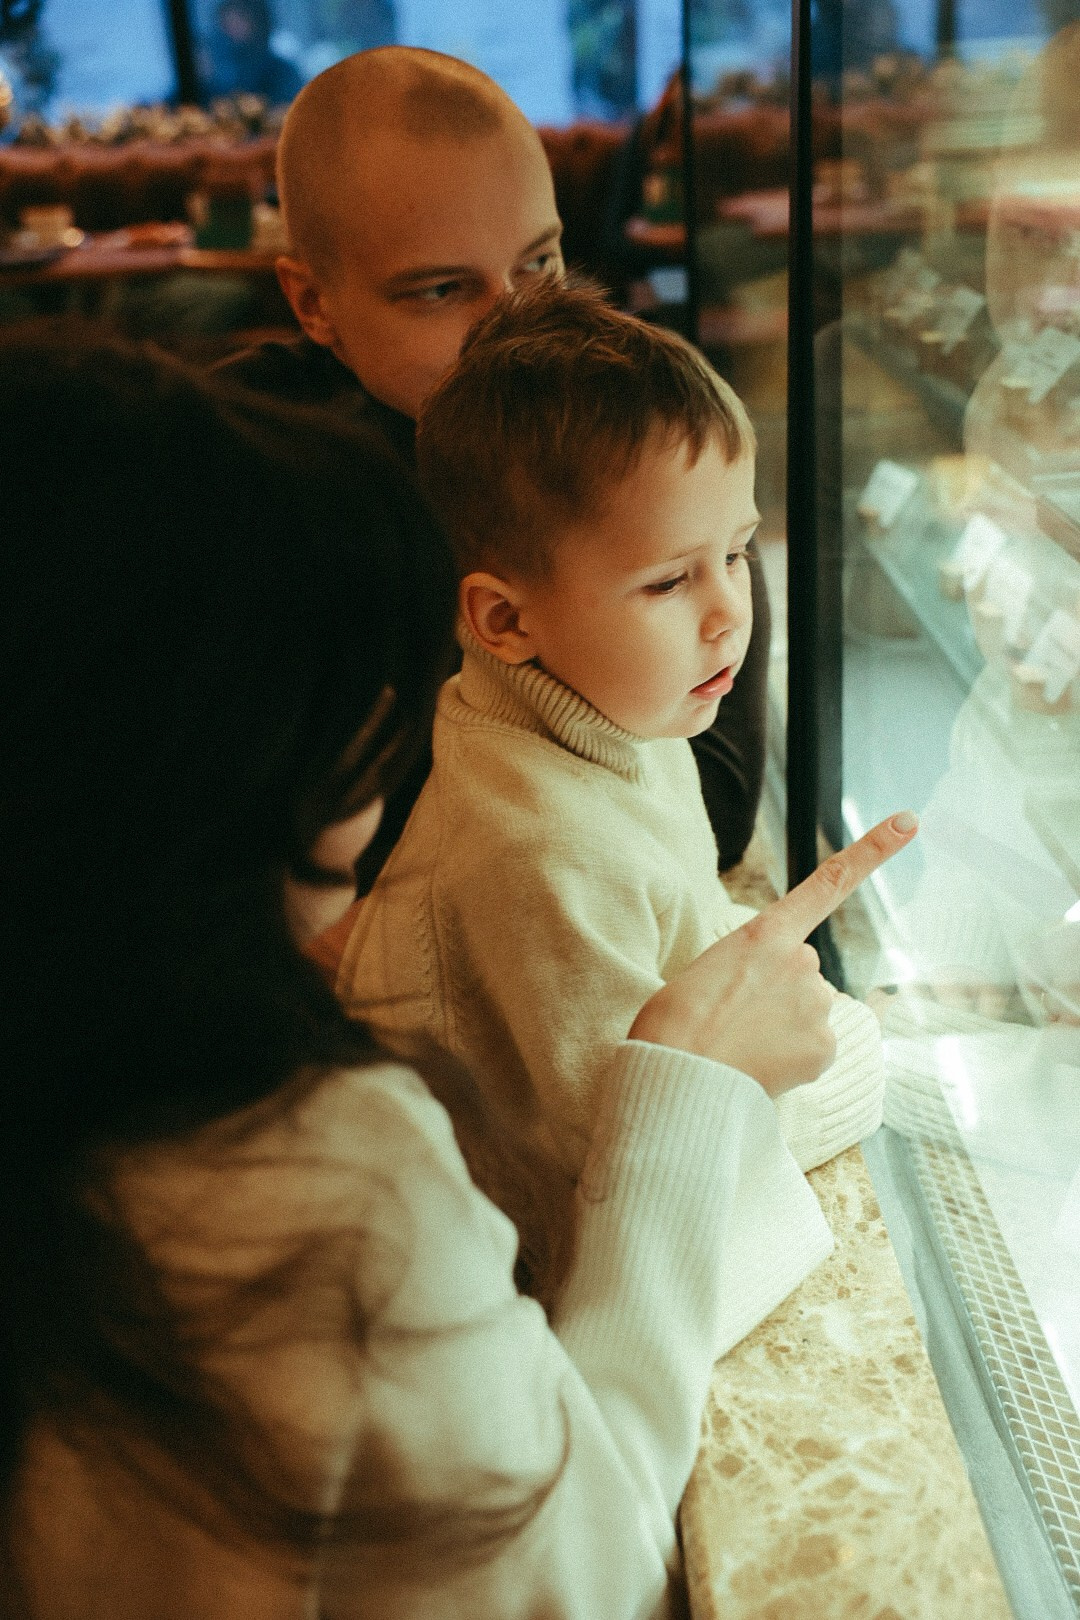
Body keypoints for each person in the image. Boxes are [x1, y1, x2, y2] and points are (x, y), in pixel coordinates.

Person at [0, 322, 915, 1618]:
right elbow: (583, 1567)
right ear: (166, 757)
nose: (387, 728)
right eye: (324, 684)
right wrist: (702, 1087)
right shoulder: (320, 1194)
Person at [337, 280, 904, 1222]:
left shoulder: (617, 719)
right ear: (504, 619)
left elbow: (678, 931)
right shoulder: (541, 852)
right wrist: (860, 1059)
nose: (728, 614)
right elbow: (630, 1167)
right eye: (669, 582)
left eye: (738, 553)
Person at [219, 44, 772, 877]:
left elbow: (716, 803)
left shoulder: (629, 426)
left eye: (538, 264)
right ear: (312, 303)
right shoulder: (240, 467)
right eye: (442, 290)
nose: (518, 321)